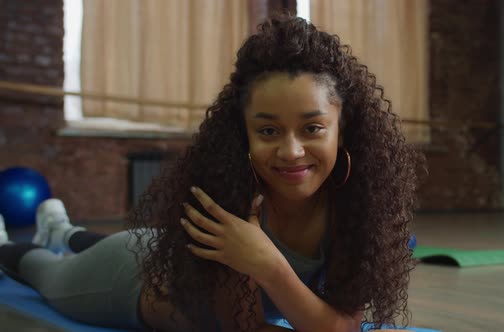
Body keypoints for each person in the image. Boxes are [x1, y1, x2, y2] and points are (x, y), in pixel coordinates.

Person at [0, 16, 422, 332]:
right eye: (268, 130)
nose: (292, 151)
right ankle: (14, 243)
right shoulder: (232, 200)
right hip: (124, 285)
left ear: (342, 128)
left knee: (123, 242)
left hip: (161, 247)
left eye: (312, 128)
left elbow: (344, 326)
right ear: (245, 134)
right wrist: (268, 265)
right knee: (43, 272)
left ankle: (62, 230)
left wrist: (267, 263)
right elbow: (249, 327)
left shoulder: (357, 202)